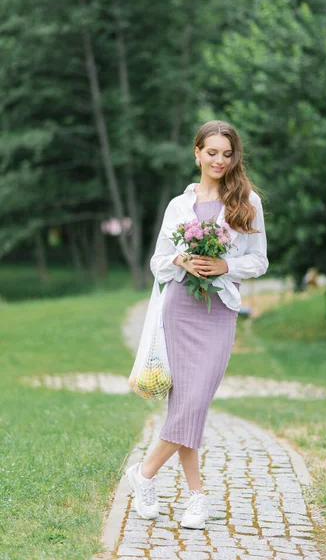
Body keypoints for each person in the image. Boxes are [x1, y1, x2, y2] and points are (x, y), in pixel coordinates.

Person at [126, 119, 269, 529]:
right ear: (197, 154)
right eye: (212, 153)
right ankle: (196, 498)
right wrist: (180, 259)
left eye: (227, 153)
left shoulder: (248, 202)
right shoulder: (178, 205)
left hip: (219, 310)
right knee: (186, 405)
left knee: (195, 401)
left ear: (234, 156)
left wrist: (226, 264)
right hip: (180, 308)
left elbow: (259, 261)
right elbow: (158, 260)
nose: (219, 160)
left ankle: (144, 473)